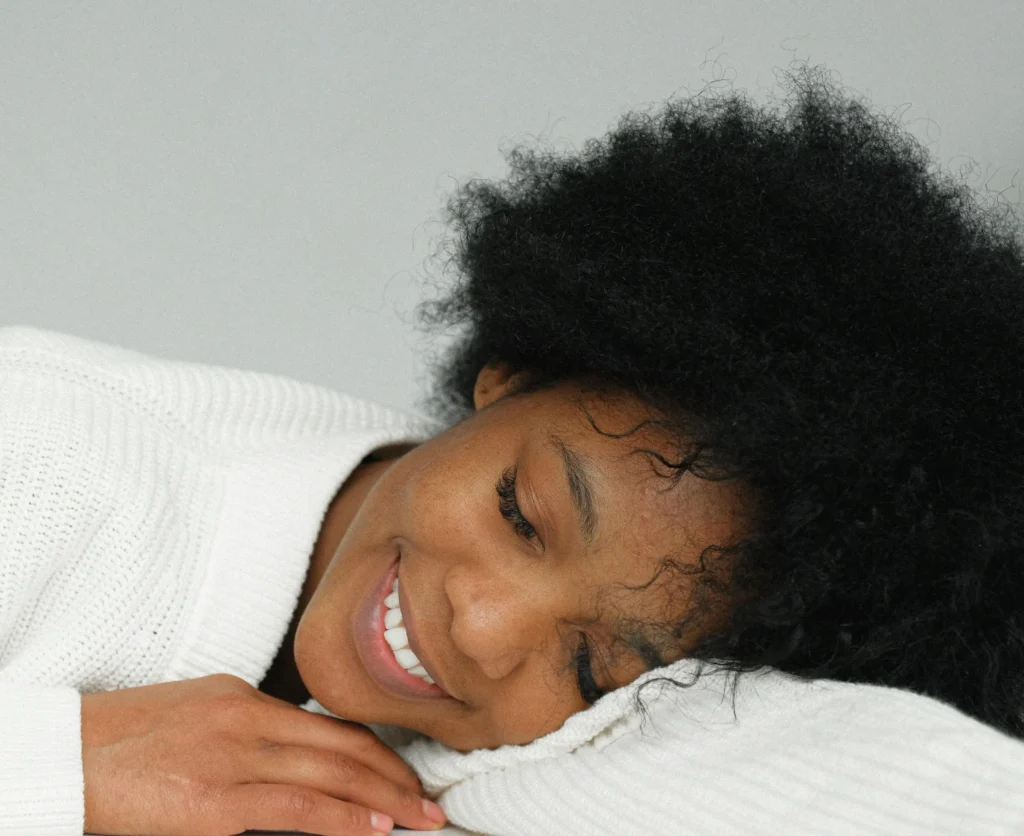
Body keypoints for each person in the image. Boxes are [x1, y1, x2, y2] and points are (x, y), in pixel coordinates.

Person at [2, 59, 1023, 835]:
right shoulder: (44, 462)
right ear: (511, 371)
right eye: (520, 511)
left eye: (589, 667)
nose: (482, 627)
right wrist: (68, 769)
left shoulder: (611, 744)